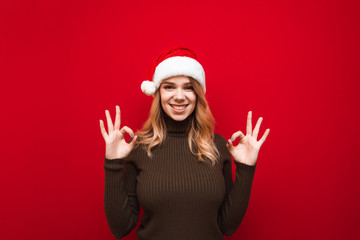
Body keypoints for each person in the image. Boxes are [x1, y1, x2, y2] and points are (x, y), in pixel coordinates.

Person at [99, 46, 270, 240]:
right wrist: (112, 162)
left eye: (188, 87)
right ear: (157, 94)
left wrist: (246, 168)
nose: (179, 96)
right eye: (169, 86)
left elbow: (227, 226)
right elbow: (120, 228)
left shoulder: (218, 146)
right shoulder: (138, 148)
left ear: (198, 94)